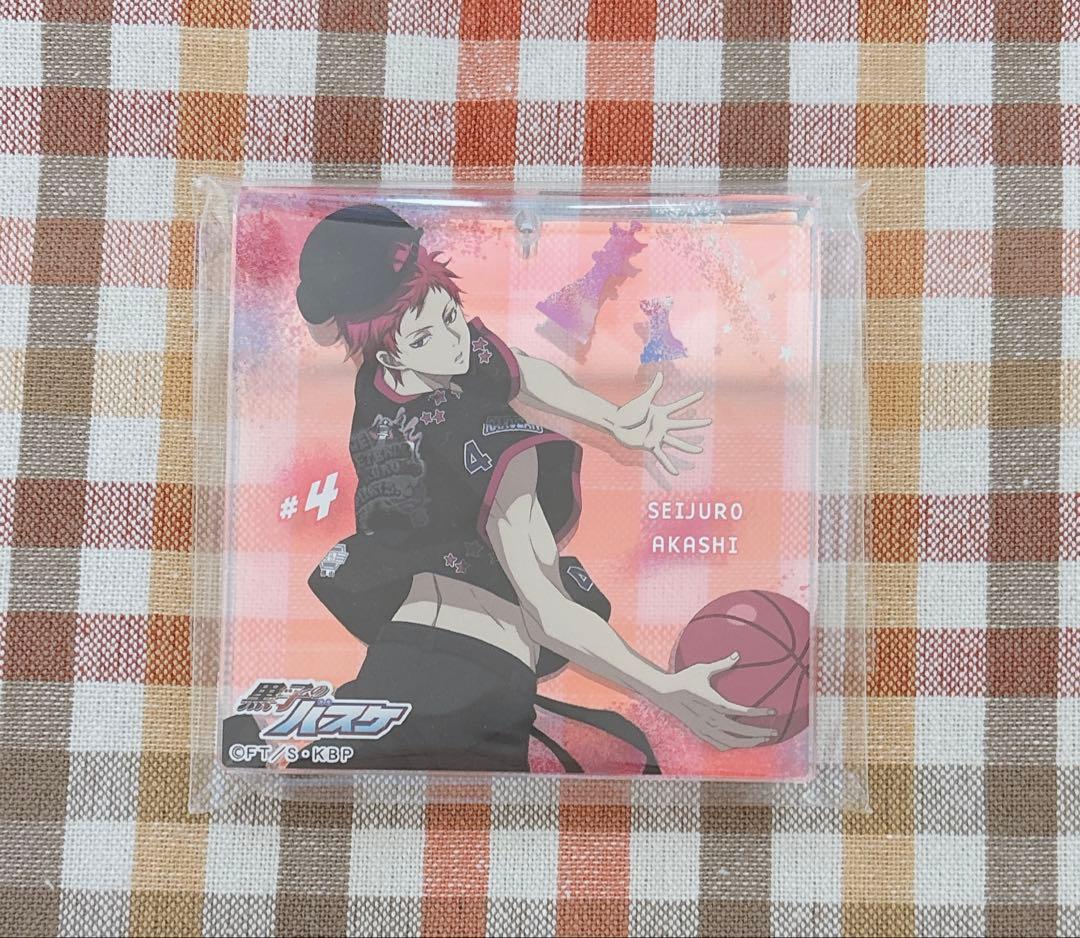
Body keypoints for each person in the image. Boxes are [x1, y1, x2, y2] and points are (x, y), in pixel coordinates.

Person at [225, 203, 775, 774]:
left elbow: (517, 367)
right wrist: (664, 688)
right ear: (392, 350)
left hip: (396, 655)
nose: (456, 341)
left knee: (327, 787)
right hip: (478, 676)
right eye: (429, 334)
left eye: (452, 316)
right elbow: (548, 612)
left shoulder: (381, 384)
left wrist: (611, 418)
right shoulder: (492, 447)